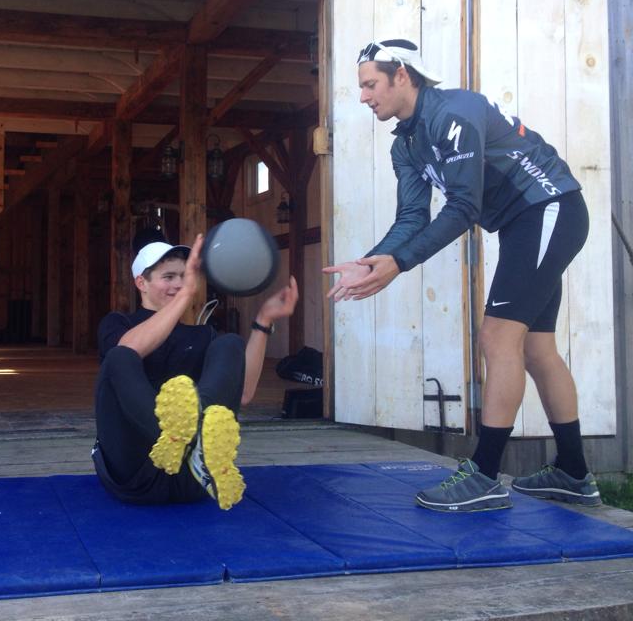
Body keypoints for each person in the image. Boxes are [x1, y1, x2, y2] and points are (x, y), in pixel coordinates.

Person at [323, 39, 601, 512]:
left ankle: (486, 476)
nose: (364, 97)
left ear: (402, 75)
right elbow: (412, 217)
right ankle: (574, 472)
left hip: (549, 208)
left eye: (370, 85)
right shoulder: (406, 145)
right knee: (535, 346)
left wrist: (400, 263)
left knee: (497, 339)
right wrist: (376, 259)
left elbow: (464, 208)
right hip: (524, 223)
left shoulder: (456, 111)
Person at [92, 233, 298, 510]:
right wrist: (187, 294)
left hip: (191, 479)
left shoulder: (202, 335)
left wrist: (264, 321)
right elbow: (129, 349)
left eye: (184, 276)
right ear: (141, 282)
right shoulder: (118, 323)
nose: (179, 284)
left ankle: (196, 448)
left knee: (230, 343)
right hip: (134, 472)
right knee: (119, 357)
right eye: (169, 277)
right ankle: (181, 439)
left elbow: (244, 393)